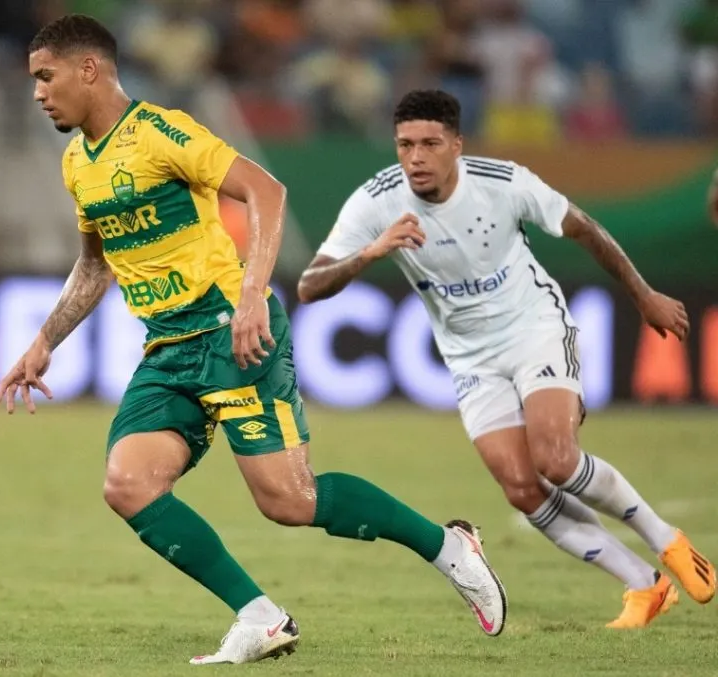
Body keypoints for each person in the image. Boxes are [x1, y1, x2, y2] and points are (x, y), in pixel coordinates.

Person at [0, 15, 507, 666]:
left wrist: (248, 296)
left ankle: (448, 546)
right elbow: (96, 262)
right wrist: (45, 340)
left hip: (228, 332)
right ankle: (260, 615)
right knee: (128, 482)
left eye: (46, 76)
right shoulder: (77, 162)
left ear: (88, 69)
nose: (37, 92)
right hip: (168, 349)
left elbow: (265, 189)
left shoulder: (159, 131)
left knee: (290, 501)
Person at [297, 89, 716, 629]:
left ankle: (667, 539)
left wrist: (644, 295)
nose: (416, 157)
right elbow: (309, 286)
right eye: (405, 145)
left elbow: (584, 227)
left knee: (557, 459)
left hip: (534, 329)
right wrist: (370, 252)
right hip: (469, 359)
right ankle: (644, 585)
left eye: (429, 143)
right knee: (521, 488)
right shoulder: (376, 201)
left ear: (457, 145)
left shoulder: (502, 182)